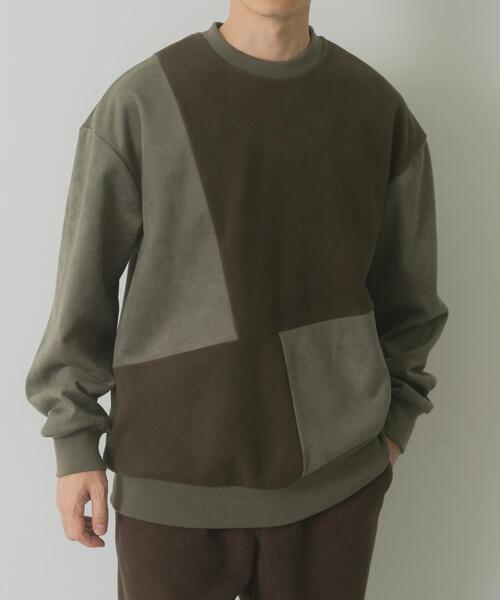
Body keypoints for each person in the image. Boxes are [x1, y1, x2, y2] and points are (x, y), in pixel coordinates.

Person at [25, 1, 449, 598]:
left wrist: (393, 428)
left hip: (334, 486)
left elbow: (410, 301)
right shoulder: (141, 103)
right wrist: (74, 443)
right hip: (169, 487)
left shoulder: (378, 110)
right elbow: (82, 293)